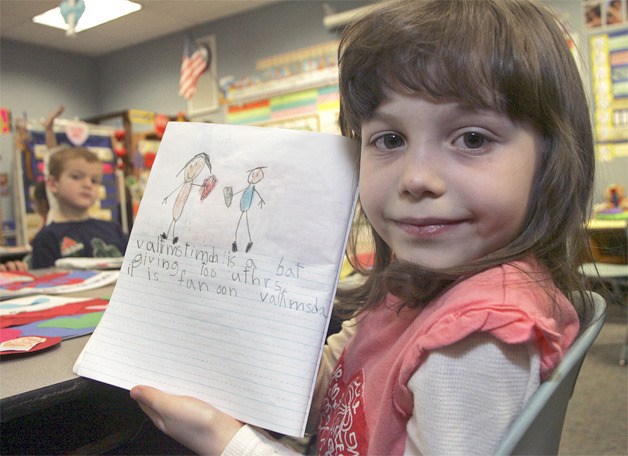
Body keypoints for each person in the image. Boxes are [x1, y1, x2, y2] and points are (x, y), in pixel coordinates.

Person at [129, 0, 595, 454]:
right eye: (389, 139)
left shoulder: (475, 341)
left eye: (472, 138)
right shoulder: (422, 285)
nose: (416, 179)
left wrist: (226, 443)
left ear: (552, 160)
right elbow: (333, 390)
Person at [30, 146, 128, 269]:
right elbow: (45, 282)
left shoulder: (113, 229)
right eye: (76, 177)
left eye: (94, 180)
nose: (87, 185)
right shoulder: (47, 238)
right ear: (53, 184)